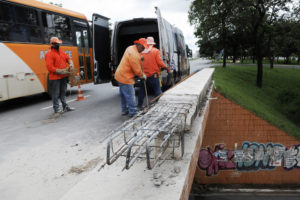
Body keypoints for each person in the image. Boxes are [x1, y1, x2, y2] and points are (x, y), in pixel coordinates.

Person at [114, 38, 148, 117]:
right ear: (138, 45)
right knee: (130, 95)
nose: (143, 50)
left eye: (144, 48)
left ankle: (124, 110)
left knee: (124, 95)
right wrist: (142, 75)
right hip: (126, 77)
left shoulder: (130, 48)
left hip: (120, 75)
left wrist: (140, 58)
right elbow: (137, 70)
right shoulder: (135, 55)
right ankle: (133, 113)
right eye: (142, 48)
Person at [138, 36, 170, 108]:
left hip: (143, 75)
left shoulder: (140, 52)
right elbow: (159, 62)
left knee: (142, 90)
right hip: (153, 75)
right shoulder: (156, 51)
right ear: (152, 44)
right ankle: (158, 104)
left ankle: (139, 104)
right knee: (157, 89)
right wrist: (165, 67)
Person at [45, 36, 75, 114]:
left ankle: (65, 106)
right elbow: (50, 67)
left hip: (63, 76)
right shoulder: (49, 54)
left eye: (59, 43)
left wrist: (71, 63)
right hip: (55, 77)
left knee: (63, 92)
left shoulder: (61, 52)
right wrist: (60, 71)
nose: (59, 45)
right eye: (58, 44)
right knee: (55, 93)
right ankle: (56, 108)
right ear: (53, 44)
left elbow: (68, 58)